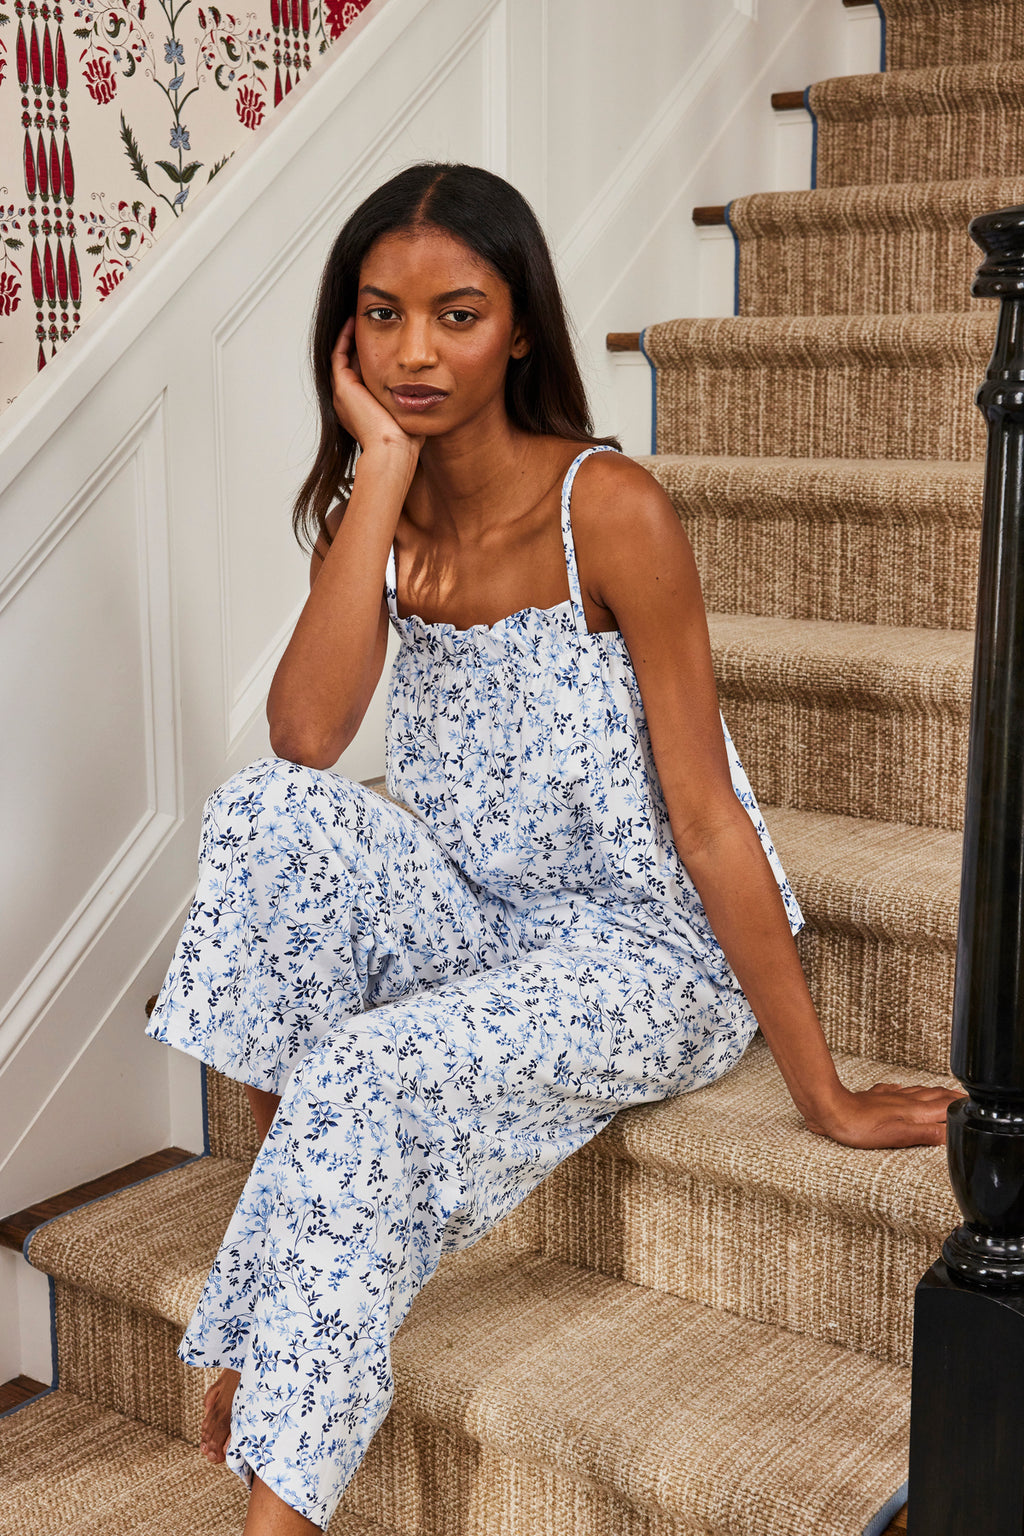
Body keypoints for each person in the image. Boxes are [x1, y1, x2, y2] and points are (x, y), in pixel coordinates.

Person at [146, 162, 959, 1535]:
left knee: (365, 1070)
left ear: (520, 327)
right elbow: (304, 736)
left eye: (456, 315)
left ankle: (276, 1487)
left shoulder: (610, 510)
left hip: (646, 956)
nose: (415, 353)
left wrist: (822, 1092)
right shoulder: (379, 517)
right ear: (346, 337)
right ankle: (292, 1300)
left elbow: (708, 813)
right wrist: (379, 474)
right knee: (261, 818)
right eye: (383, 316)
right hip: (479, 920)